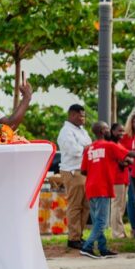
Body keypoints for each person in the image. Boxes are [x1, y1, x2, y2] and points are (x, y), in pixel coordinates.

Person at [79, 121, 135, 258]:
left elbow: (83, 171)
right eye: (107, 128)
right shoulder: (109, 145)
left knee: (97, 220)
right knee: (102, 222)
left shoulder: (89, 148)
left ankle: (102, 248)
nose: (109, 130)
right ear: (102, 131)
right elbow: (131, 154)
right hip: (102, 187)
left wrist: (98, 170)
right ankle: (87, 247)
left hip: (91, 187)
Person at [57, 104, 92, 249]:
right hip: (73, 171)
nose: (83, 119)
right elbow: (75, 151)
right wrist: (87, 148)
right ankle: (73, 238)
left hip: (84, 171)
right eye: (80, 116)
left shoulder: (82, 131)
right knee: (75, 206)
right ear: (72, 115)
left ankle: (79, 235)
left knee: (85, 206)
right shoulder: (66, 131)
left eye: (84, 116)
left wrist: (86, 148)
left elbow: (88, 147)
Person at [108, 122, 130, 239]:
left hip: (124, 177)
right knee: (116, 205)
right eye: (119, 131)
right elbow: (124, 161)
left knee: (121, 206)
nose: (122, 133)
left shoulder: (119, 144)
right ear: (112, 131)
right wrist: (127, 161)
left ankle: (120, 231)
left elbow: (126, 159)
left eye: (123, 131)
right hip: (116, 178)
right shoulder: (112, 144)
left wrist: (126, 160)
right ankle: (116, 233)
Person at [122, 112, 135, 237]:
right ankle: (134, 228)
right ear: (131, 123)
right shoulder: (126, 137)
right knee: (132, 199)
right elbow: (121, 152)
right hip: (130, 171)